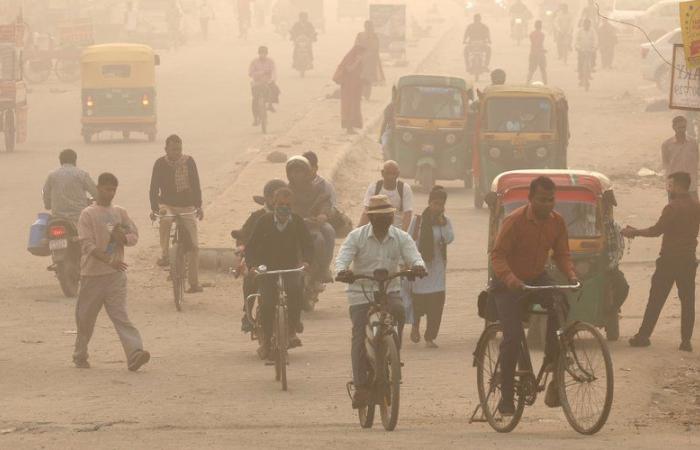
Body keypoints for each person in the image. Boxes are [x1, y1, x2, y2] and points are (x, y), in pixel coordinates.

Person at [490, 176, 578, 415]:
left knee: (560, 302)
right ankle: (507, 398)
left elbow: (562, 254)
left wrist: (570, 274)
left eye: (551, 200)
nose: (547, 204)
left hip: (536, 276)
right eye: (542, 200)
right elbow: (497, 255)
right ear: (530, 199)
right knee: (513, 337)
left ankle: (552, 358)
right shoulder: (514, 221)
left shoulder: (557, 222)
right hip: (507, 283)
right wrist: (511, 280)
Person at [336, 195, 427, 408]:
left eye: (388, 217)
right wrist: (342, 271)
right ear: (370, 218)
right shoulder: (356, 237)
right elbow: (342, 259)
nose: (385, 221)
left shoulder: (401, 237)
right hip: (361, 293)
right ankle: (360, 387)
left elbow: (414, 255)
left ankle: (392, 355)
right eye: (379, 217)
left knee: (399, 312)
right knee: (359, 336)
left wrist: (418, 266)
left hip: (389, 290)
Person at [73, 172, 150, 371]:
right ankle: (80, 354)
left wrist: (122, 238)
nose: (111, 193)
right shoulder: (88, 214)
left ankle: (135, 353)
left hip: (115, 277)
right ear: (98, 188)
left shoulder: (119, 213)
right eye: (108, 189)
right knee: (85, 319)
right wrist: (110, 260)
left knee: (120, 316)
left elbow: (134, 236)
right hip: (92, 276)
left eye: (114, 189)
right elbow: (87, 245)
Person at [623, 172, 700, 353]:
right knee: (687, 300)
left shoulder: (672, 207)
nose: (668, 188)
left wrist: (634, 232)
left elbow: (656, 231)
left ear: (679, 186)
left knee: (656, 299)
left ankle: (643, 336)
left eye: (670, 185)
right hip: (688, 259)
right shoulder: (696, 205)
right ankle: (686, 341)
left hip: (669, 260)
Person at [245, 187, 314, 358]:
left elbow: (308, 245)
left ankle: (291, 329)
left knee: (296, 290)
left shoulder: (297, 221)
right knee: (267, 302)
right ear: (273, 204)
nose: (284, 207)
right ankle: (267, 342)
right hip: (267, 269)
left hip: (290, 268)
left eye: (288, 204)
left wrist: (306, 261)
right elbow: (251, 247)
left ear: (292, 206)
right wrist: (253, 266)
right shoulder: (263, 221)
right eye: (280, 204)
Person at [149, 134, 204, 293]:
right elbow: (153, 188)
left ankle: (194, 283)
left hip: (187, 206)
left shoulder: (189, 162)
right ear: (166, 149)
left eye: (179, 149)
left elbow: (196, 184)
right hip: (167, 204)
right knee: (164, 220)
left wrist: (198, 206)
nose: (177, 152)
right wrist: (154, 208)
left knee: (194, 246)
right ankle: (165, 254)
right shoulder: (159, 164)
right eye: (174, 149)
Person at [232, 179, 287, 333]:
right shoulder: (257, 216)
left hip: (285, 260)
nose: (278, 201)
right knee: (250, 278)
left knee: (297, 283)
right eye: (274, 197)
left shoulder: (292, 216)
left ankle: (293, 324)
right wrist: (242, 246)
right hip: (260, 260)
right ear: (267, 198)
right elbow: (244, 235)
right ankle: (247, 314)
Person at [408, 186, 454, 348]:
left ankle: (430, 337)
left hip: (437, 268)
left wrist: (442, 226)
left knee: (436, 303)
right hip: (420, 267)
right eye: (435, 203)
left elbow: (449, 239)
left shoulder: (445, 221)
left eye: (441, 204)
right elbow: (409, 240)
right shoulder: (419, 220)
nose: (437, 207)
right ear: (429, 203)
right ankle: (415, 327)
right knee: (418, 301)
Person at [286, 156, 335, 284]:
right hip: (294, 226)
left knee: (329, 231)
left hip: (314, 224)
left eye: (300, 171)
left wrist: (323, 214)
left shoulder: (317, 188)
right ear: (288, 173)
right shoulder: (286, 191)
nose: (296, 175)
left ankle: (323, 269)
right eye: (293, 172)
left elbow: (325, 202)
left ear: (307, 173)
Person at [43, 149, 98, 224]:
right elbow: (96, 193)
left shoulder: (52, 175)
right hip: (79, 217)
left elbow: (46, 193)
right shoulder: (82, 174)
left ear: (60, 161)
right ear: (75, 160)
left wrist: (48, 205)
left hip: (58, 218)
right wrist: (94, 200)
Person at [359, 160, 413, 231]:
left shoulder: (404, 189)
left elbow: (408, 214)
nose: (390, 177)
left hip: (396, 229)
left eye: (393, 174)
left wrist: (402, 235)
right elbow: (367, 211)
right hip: (376, 229)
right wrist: (358, 232)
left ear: (398, 174)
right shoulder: (374, 187)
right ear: (382, 173)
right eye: (388, 173)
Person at [662, 116, 699, 201]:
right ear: (674, 128)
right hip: (675, 184)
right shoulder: (667, 145)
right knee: (674, 211)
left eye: (684, 127)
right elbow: (666, 164)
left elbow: (697, 160)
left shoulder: (693, 143)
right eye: (679, 128)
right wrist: (669, 184)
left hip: (691, 184)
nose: (682, 130)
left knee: (694, 211)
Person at [333, 44, 365, 134]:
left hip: (355, 87)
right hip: (348, 87)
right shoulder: (350, 58)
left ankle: (352, 127)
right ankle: (349, 128)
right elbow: (349, 69)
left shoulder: (359, 59)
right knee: (349, 106)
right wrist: (357, 61)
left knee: (355, 107)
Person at [355, 20, 385, 100]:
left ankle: (365, 95)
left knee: (367, 79)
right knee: (363, 78)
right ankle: (363, 94)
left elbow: (375, 48)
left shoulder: (372, 36)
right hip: (363, 60)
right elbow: (357, 46)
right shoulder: (361, 35)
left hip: (369, 61)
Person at [249, 46, 278, 126]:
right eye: (261, 53)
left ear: (266, 54)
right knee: (254, 100)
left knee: (276, 90)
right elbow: (250, 73)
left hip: (267, 81)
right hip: (257, 82)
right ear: (259, 54)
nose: (263, 55)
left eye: (264, 53)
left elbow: (273, 71)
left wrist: (273, 79)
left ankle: (270, 104)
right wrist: (261, 73)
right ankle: (255, 118)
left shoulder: (270, 61)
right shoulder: (254, 62)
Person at [575, 18, 597, 86]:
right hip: (581, 49)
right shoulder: (579, 31)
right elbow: (577, 40)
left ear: (590, 25)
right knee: (580, 63)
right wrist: (578, 47)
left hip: (590, 49)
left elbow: (595, 40)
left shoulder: (592, 31)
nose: (587, 26)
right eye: (585, 24)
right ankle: (581, 78)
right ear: (583, 25)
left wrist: (594, 47)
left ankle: (591, 70)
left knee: (593, 60)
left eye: (588, 25)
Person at [527, 20, 547, 85]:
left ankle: (527, 83)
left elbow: (534, 43)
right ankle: (546, 84)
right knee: (543, 70)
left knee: (531, 70)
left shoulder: (531, 34)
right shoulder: (542, 35)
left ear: (535, 26)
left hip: (533, 53)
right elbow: (539, 44)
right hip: (540, 54)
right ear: (541, 26)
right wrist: (543, 50)